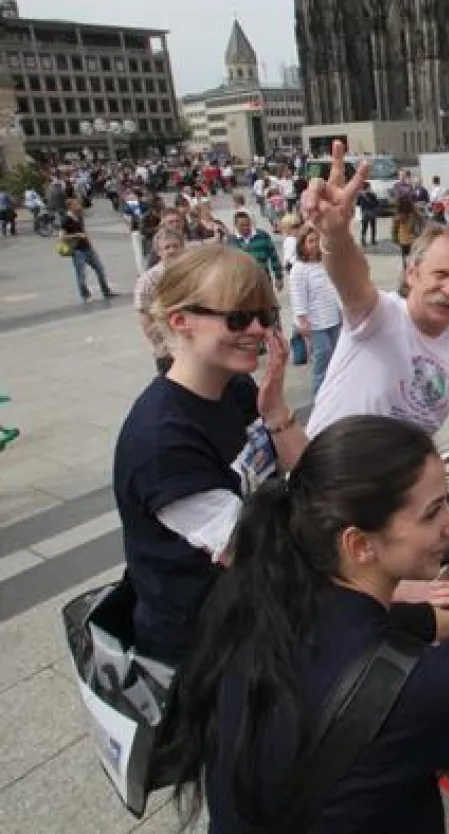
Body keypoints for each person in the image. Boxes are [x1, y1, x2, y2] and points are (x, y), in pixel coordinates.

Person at [160, 415, 449, 832]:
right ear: (359, 544)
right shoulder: (433, 684)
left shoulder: (263, 600)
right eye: (432, 513)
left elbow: (385, 625)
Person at [113, 245, 307, 664]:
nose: (256, 330)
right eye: (237, 317)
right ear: (180, 321)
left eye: (265, 317)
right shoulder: (163, 441)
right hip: (206, 644)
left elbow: (310, 474)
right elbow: (254, 554)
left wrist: (275, 411)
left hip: (256, 606)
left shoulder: (233, 388)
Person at [303, 142, 449, 461]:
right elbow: (352, 280)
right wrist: (336, 235)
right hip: (332, 481)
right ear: (412, 273)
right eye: (441, 274)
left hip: (399, 486)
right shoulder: (381, 315)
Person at [288, 225, 343, 396]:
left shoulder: (325, 262)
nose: (315, 244)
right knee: (323, 354)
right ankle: (319, 391)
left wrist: (343, 310)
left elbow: (335, 288)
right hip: (315, 321)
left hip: (333, 317)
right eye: (311, 241)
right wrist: (303, 321)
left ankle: (334, 389)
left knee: (336, 355)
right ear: (302, 244)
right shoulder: (299, 269)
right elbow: (298, 297)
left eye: (317, 240)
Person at [133, 227, 187, 374]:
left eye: (176, 246)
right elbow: (145, 316)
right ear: (159, 252)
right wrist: (162, 346)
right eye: (167, 247)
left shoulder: (193, 273)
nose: (171, 251)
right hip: (169, 350)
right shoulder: (148, 280)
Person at [60, 198, 116, 302]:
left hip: (87, 248)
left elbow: (84, 230)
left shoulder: (79, 216)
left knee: (100, 268)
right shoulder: (65, 219)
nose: (79, 206)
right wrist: (76, 235)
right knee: (81, 274)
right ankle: (86, 296)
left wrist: (90, 244)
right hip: (77, 250)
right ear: (70, 207)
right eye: (76, 205)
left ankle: (106, 291)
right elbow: (62, 237)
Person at [228, 211, 284, 291]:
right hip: (242, 284)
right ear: (235, 225)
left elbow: (273, 257)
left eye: (248, 224)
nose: (246, 227)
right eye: (242, 225)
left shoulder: (263, 236)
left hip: (263, 281)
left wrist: (279, 277)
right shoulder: (231, 241)